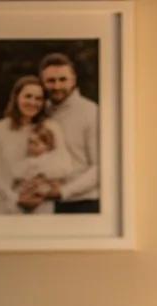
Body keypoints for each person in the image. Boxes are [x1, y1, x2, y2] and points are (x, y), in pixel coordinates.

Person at [18, 53, 100, 214]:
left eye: (63, 79)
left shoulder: (91, 112)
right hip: (42, 205)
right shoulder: (40, 110)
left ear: (74, 79)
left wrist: (63, 191)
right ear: (42, 82)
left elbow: (101, 167)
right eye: (50, 81)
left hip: (81, 204)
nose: (57, 86)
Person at [0, 76, 69, 215]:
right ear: (16, 97)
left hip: (41, 205)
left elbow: (65, 165)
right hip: (7, 206)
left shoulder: (50, 127)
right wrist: (16, 199)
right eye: (28, 96)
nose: (33, 102)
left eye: (38, 98)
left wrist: (39, 175)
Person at [11, 123, 74, 215]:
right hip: (27, 191)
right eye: (30, 142)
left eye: (36, 144)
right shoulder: (28, 160)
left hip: (44, 198)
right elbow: (17, 173)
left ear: (47, 146)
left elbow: (61, 172)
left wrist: (42, 175)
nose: (31, 146)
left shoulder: (49, 159)